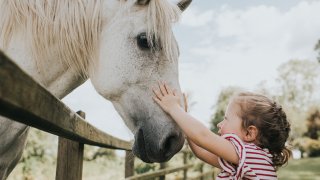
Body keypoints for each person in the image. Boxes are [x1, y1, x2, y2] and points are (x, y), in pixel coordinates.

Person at [152, 82, 291, 180]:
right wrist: (183, 119)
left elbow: (203, 136)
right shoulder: (243, 159)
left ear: (249, 133)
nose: (219, 124)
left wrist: (173, 108)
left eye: (226, 119)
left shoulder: (250, 154)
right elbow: (202, 151)